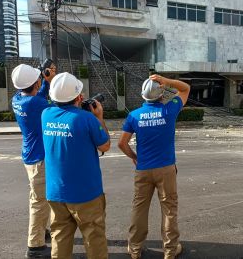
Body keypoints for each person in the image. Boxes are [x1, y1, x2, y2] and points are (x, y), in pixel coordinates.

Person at [118, 74, 190, 259]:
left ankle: (134, 249)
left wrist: (135, 157)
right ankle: (170, 250)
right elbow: (185, 88)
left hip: (143, 168)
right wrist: (168, 81)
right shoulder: (169, 110)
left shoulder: (134, 115)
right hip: (166, 169)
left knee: (139, 209)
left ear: (143, 95)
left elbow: (122, 144)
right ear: (161, 94)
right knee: (169, 209)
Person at [41, 72, 110, 259]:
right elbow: (104, 145)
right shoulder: (86, 119)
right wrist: (98, 117)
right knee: (94, 238)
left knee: (60, 238)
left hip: (56, 193)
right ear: (79, 97)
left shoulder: (45, 114)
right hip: (85, 194)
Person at [11, 64, 53, 258]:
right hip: (39, 159)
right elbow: (58, 105)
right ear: (35, 82)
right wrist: (48, 81)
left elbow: (38, 95)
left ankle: (42, 230)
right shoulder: (36, 104)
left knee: (41, 198)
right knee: (38, 201)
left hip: (29, 155)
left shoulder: (17, 99)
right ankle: (34, 246)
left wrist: (44, 80)